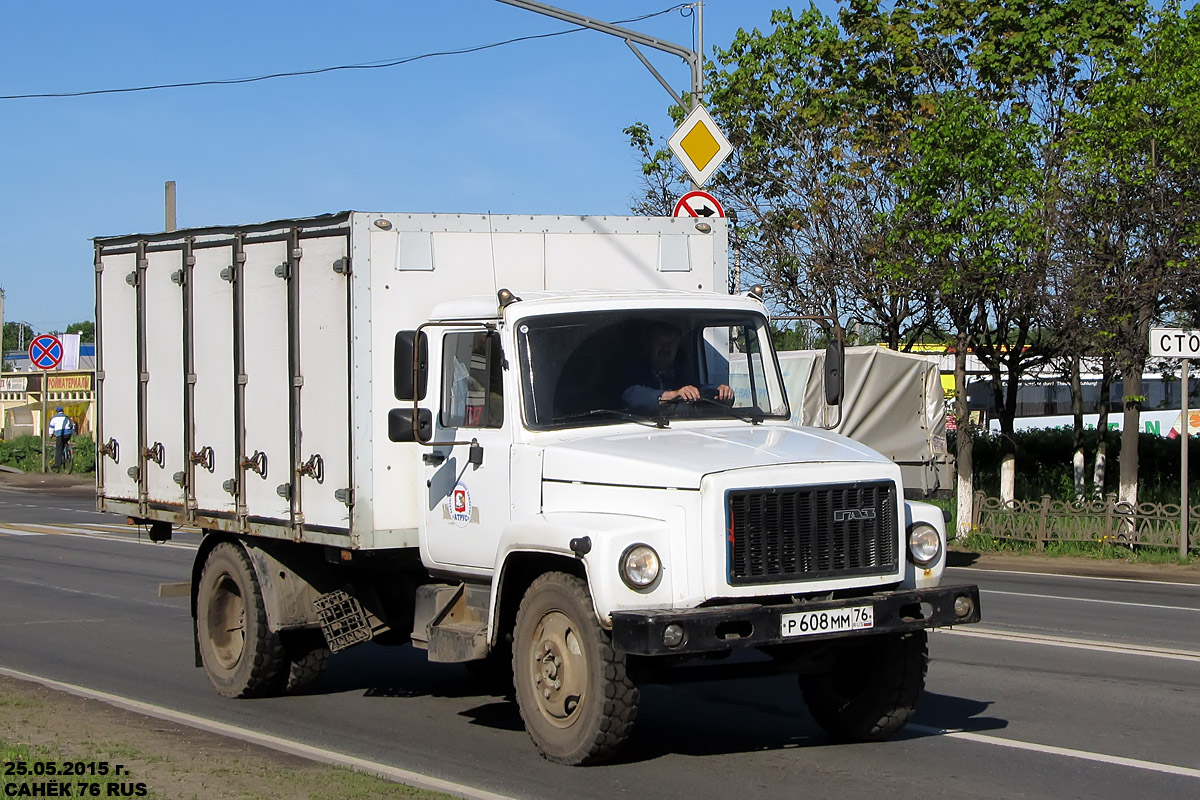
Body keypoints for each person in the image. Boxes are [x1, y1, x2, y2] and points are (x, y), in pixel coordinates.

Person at [621, 322, 733, 415]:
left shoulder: (682, 375)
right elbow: (631, 396)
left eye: (671, 343)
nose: (666, 348)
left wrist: (721, 392)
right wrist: (673, 395)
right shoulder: (634, 372)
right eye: (660, 342)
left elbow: (699, 391)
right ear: (648, 345)